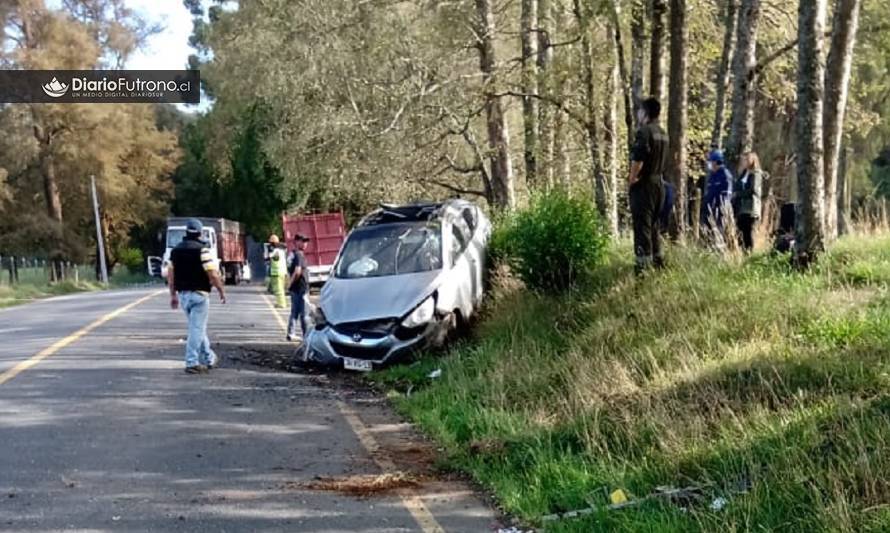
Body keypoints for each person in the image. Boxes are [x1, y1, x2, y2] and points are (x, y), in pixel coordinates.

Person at [167, 218, 226, 374]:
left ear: (186, 232)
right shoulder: (202, 250)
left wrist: (172, 295)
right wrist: (221, 290)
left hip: (183, 296)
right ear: (200, 233)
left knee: (197, 328)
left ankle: (209, 358)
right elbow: (212, 274)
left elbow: (170, 276)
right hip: (199, 295)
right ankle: (191, 362)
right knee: (196, 329)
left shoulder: (175, 251)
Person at [629, 97, 670, 274]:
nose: (638, 114)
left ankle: (642, 271)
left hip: (644, 186)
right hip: (659, 185)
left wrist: (632, 178)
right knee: (654, 228)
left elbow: (639, 157)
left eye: (639, 110)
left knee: (642, 228)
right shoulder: (663, 133)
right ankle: (658, 265)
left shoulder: (644, 132)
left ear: (645, 113)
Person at [733, 151, 763, 252]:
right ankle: (743, 253)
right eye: (744, 160)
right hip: (741, 209)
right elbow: (736, 186)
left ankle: (749, 254)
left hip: (751, 209)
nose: (744, 162)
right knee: (740, 234)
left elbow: (753, 190)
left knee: (748, 233)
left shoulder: (756, 174)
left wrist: (738, 194)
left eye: (747, 159)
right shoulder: (743, 174)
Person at [702, 150, 733, 243]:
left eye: (710, 162)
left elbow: (726, 196)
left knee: (718, 235)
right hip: (709, 211)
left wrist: (719, 209)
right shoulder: (712, 175)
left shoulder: (725, 175)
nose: (709, 164)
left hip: (719, 212)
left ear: (715, 162)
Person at [286, 234, 311, 342]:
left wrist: (290, 285)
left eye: (306, 241)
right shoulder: (299, 255)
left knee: (294, 312)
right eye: (303, 241)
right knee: (304, 313)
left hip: (295, 288)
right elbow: (297, 271)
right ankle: (306, 335)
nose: (305, 243)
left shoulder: (292, 254)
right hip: (301, 288)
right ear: (296, 242)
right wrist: (290, 284)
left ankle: (291, 333)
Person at [268, 234, 287, 308]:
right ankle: (281, 302)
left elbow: (268, 257)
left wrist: (269, 252)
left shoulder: (275, 251)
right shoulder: (282, 250)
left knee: (278, 289)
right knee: (281, 289)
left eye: (271, 242)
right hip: (282, 272)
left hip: (277, 272)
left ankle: (281, 304)